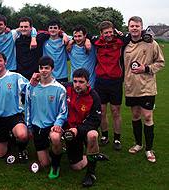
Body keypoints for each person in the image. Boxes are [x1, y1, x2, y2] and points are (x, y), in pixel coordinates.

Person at [124, 16, 165, 163]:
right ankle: (138, 144)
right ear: (128, 28)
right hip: (131, 87)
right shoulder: (125, 44)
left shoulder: (151, 43)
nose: (134, 28)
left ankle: (149, 149)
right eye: (132, 26)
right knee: (135, 116)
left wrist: (146, 68)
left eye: (137, 26)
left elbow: (160, 62)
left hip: (147, 87)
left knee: (147, 117)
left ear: (141, 27)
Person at [61, 68, 107, 187]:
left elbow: (95, 121)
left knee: (93, 135)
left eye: (81, 82)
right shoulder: (66, 87)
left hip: (84, 130)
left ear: (88, 82)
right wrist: (38, 78)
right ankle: (93, 155)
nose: (77, 85)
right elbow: (51, 83)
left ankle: (91, 173)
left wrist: (78, 129)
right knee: (76, 167)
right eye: (75, 81)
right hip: (70, 131)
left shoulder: (94, 97)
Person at [25, 56, 67, 176]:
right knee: (44, 163)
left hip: (52, 126)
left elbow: (63, 111)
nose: (44, 70)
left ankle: (56, 165)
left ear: (52, 69)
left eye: (47, 68)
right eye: (41, 68)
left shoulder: (60, 89)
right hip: (37, 127)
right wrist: (29, 126)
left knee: (55, 137)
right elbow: (28, 107)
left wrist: (58, 124)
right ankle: (55, 151)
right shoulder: (32, 87)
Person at [0, 52, 29, 162]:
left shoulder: (16, 77)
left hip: (14, 115)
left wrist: (34, 82)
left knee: (22, 135)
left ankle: (22, 150)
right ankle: (9, 138)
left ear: (5, 62)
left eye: (0, 60)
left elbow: (29, 88)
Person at [92, 21, 125, 150]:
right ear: (101, 34)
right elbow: (82, 35)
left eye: (111, 32)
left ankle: (117, 138)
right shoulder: (96, 42)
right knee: (102, 111)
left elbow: (137, 34)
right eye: (106, 32)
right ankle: (105, 136)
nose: (109, 34)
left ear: (114, 31)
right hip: (100, 81)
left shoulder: (120, 42)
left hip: (115, 81)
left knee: (116, 111)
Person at [42, 19, 69, 83]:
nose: (53, 30)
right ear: (48, 29)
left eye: (55, 28)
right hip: (48, 75)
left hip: (62, 75)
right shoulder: (43, 41)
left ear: (59, 29)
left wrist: (65, 35)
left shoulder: (65, 40)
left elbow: (77, 37)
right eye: (51, 28)